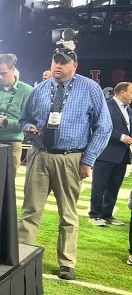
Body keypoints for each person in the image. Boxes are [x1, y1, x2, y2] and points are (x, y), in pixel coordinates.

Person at [18, 47, 112, 281]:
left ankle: (67, 263)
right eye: (55, 61)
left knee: (67, 214)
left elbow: (104, 126)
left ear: (74, 65)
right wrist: (28, 127)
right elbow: (25, 118)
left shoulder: (90, 88)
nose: (58, 66)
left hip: (71, 157)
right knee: (30, 210)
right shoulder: (40, 88)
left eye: (64, 62)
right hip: (39, 155)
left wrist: (88, 160)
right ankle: (21, 253)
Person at [88, 81, 132, 226]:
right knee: (99, 185)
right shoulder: (106, 106)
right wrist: (121, 137)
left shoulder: (129, 110)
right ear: (122, 92)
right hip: (105, 153)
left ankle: (107, 215)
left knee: (114, 186)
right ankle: (94, 214)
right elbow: (99, 126)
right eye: (131, 92)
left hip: (122, 155)